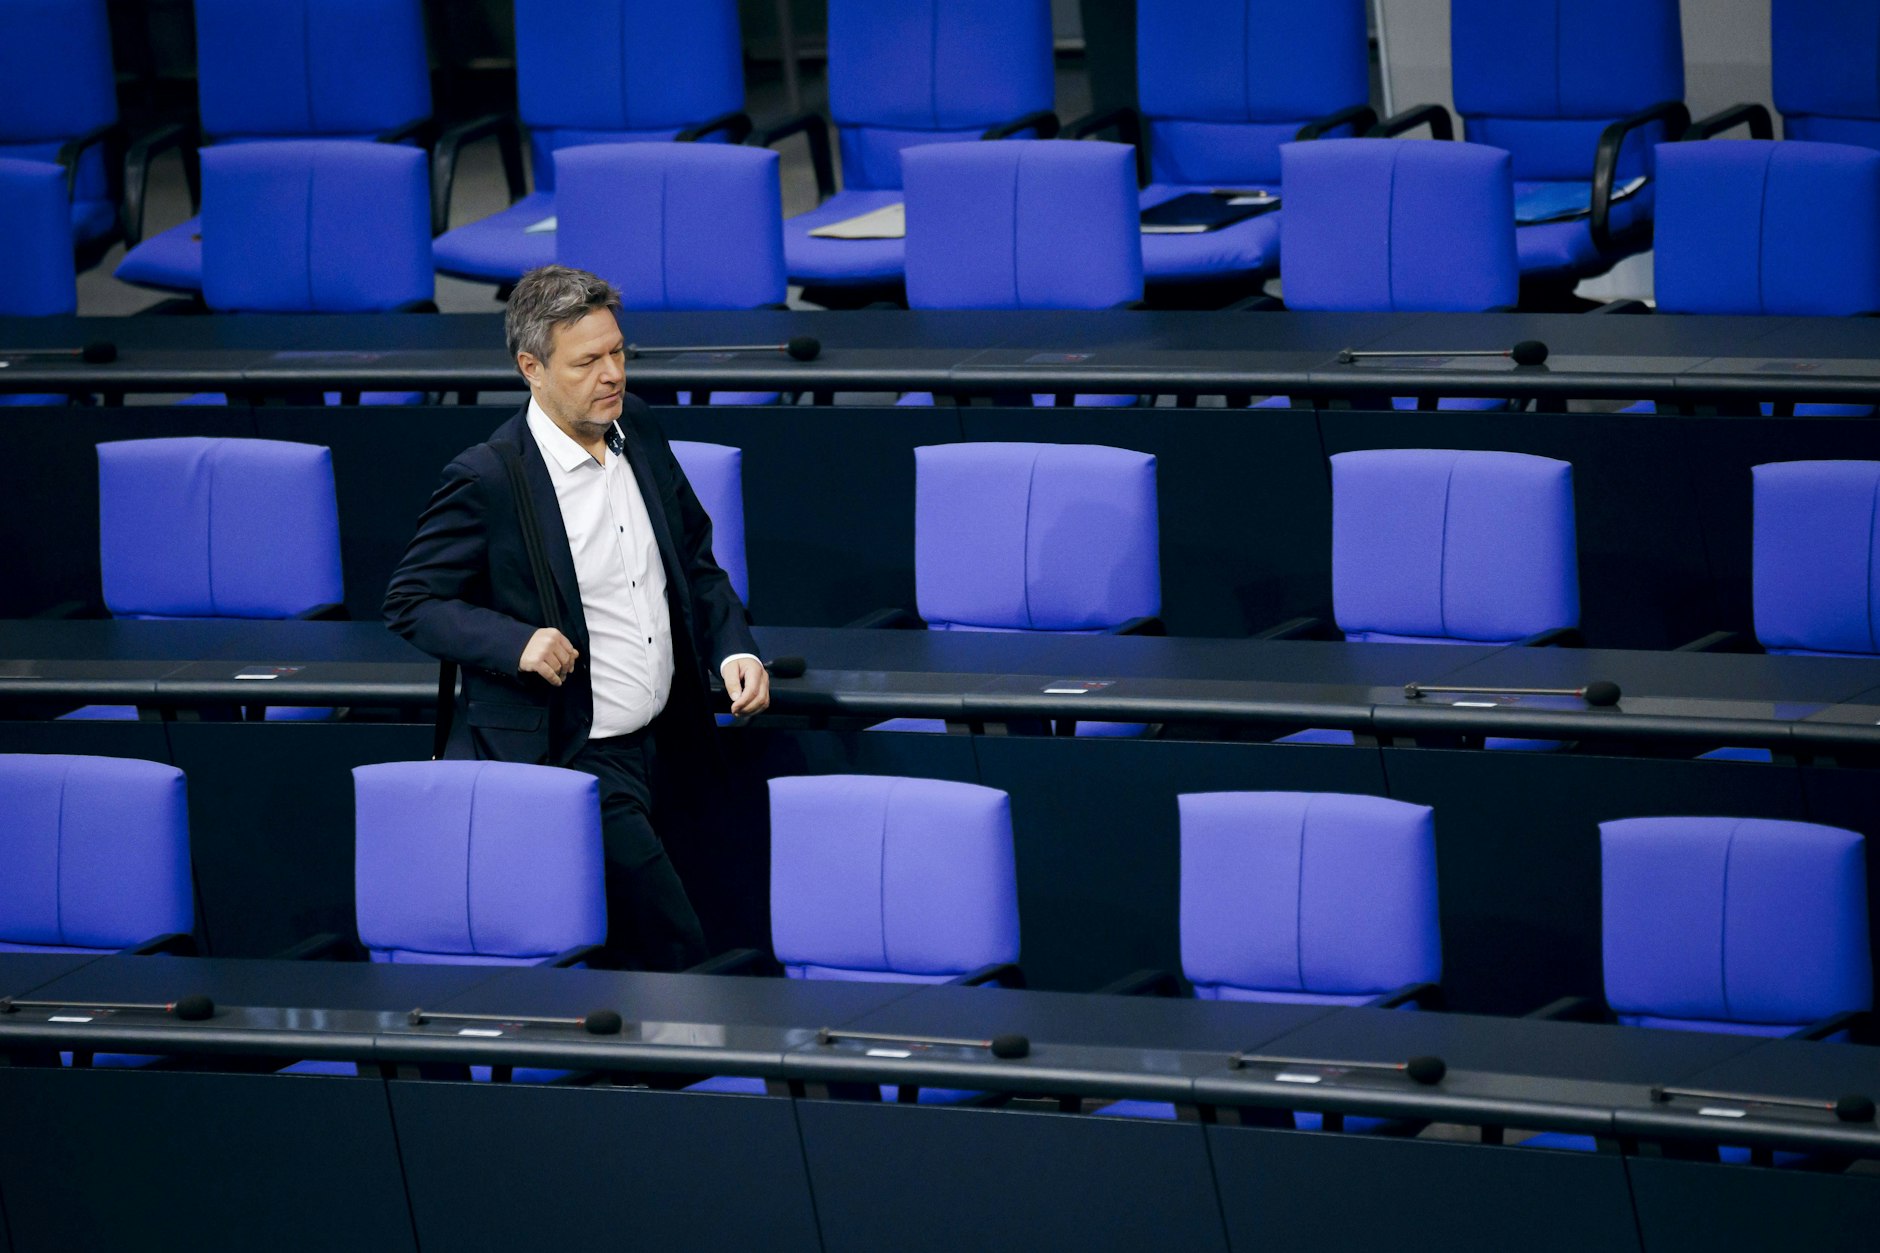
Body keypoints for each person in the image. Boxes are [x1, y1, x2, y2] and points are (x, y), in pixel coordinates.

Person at [384, 264, 767, 971]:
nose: (613, 373)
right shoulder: (490, 477)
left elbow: (694, 560)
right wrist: (516, 641)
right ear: (531, 367)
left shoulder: (639, 428)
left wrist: (733, 646)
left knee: (709, 935)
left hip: (673, 742)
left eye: (618, 351)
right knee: (676, 950)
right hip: (577, 758)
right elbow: (410, 601)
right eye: (588, 360)